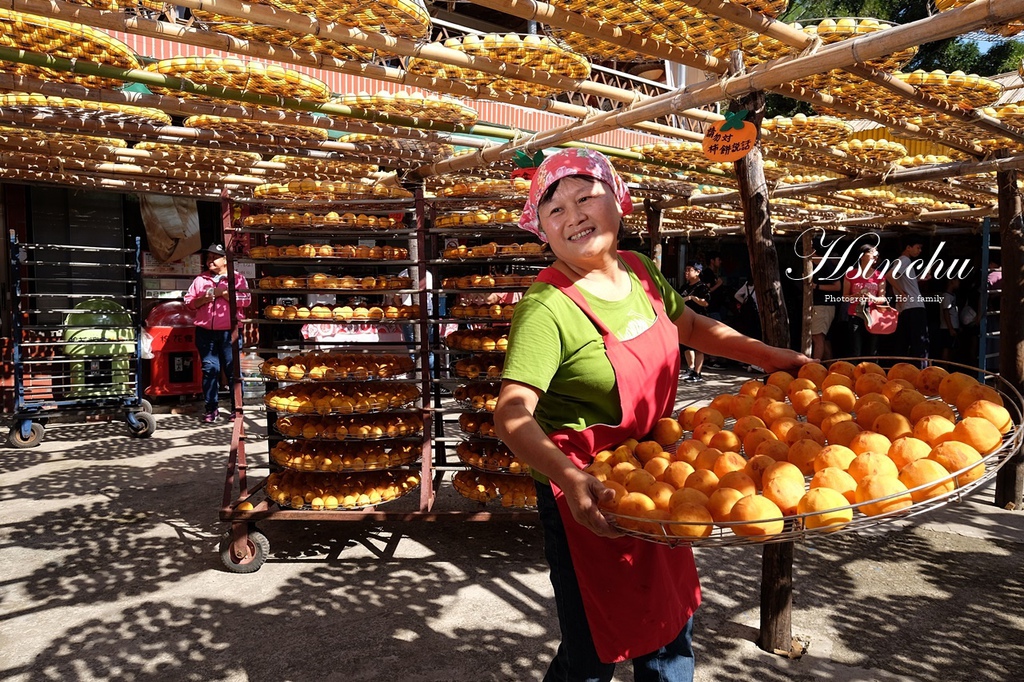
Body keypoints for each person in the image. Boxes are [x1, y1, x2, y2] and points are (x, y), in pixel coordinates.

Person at [492, 148, 809, 682]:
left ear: (618, 199)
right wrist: (571, 480)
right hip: (590, 491)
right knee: (594, 648)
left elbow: (691, 326)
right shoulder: (547, 307)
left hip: (659, 473)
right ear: (542, 230)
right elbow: (512, 415)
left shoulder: (640, 272)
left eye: (584, 196)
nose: (573, 215)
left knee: (669, 628)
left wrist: (774, 358)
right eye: (554, 209)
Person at [183, 244, 250, 423]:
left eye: (215, 257)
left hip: (230, 332)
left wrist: (223, 293)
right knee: (209, 369)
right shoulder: (200, 279)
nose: (210, 261)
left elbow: (246, 300)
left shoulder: (237, 279)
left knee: (232, 370)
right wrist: (205, 298)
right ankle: (211, 408)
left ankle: (237, 409)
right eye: (208, 258)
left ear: (225, 260)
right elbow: (189, 302)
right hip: (205, 332)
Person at [887, 236, 930, 362]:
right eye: (917, 247)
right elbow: (889, 276)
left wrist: (918, 279)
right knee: (919, 344)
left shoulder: (900, 262)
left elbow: (901, 280)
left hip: (905, 308)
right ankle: (921, 374)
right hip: (914, 307)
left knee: (904, 342)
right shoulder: (905, 260)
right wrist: (902, 293)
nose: (919, 250)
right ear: (908, 247)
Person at [843, 244, 886, 358]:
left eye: (877, 254)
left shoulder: (879, 275)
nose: (875, 256)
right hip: (855, 314)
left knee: (873, 349)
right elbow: (845, 297)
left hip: (873, 315)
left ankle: (874, 373)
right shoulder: (850, 274)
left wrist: (873, 298)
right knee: (855, 349)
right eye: (872, 253)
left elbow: (882, 298)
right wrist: (856, 295)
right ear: (862, 256)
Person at [679, 263, 711, 382]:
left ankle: (698, 373)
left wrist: (692, 298)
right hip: (685, 319)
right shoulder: (684, 287)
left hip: (699, 318)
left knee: (698, 347)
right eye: (685, 270)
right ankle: (690, 368)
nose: (686, 273)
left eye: (689, 270)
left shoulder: (702, 287)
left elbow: (705, 303)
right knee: (686, 345)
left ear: (697, 272)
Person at [810, 252, 842, 361]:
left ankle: (814, 367)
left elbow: (837, 286)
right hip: (819, 305)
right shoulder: (813, 265)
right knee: (824, 339)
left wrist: (816, 286)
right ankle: (830, 368)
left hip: (823, 306)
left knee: (817, 337)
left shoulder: (826, 265)